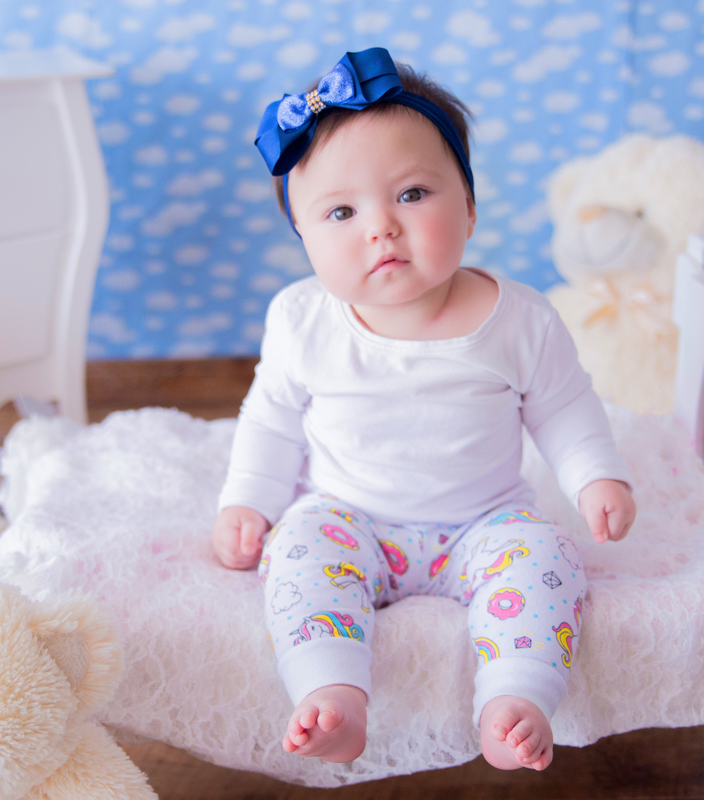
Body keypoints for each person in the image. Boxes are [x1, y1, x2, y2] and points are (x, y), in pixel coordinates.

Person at [212, 48, 636, 772]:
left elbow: (565, 408)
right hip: (349, 514)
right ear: (305, 241)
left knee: (547, 558)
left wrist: (597, 476)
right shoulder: (302, 321)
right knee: (298, 554)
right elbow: (271, 420)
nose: (380, 226)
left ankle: (514, 698)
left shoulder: (520, 320)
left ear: (468, 206)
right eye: (341, 211)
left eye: (411, 195)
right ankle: (333, 696)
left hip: (484, 523)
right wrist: (247, 501)